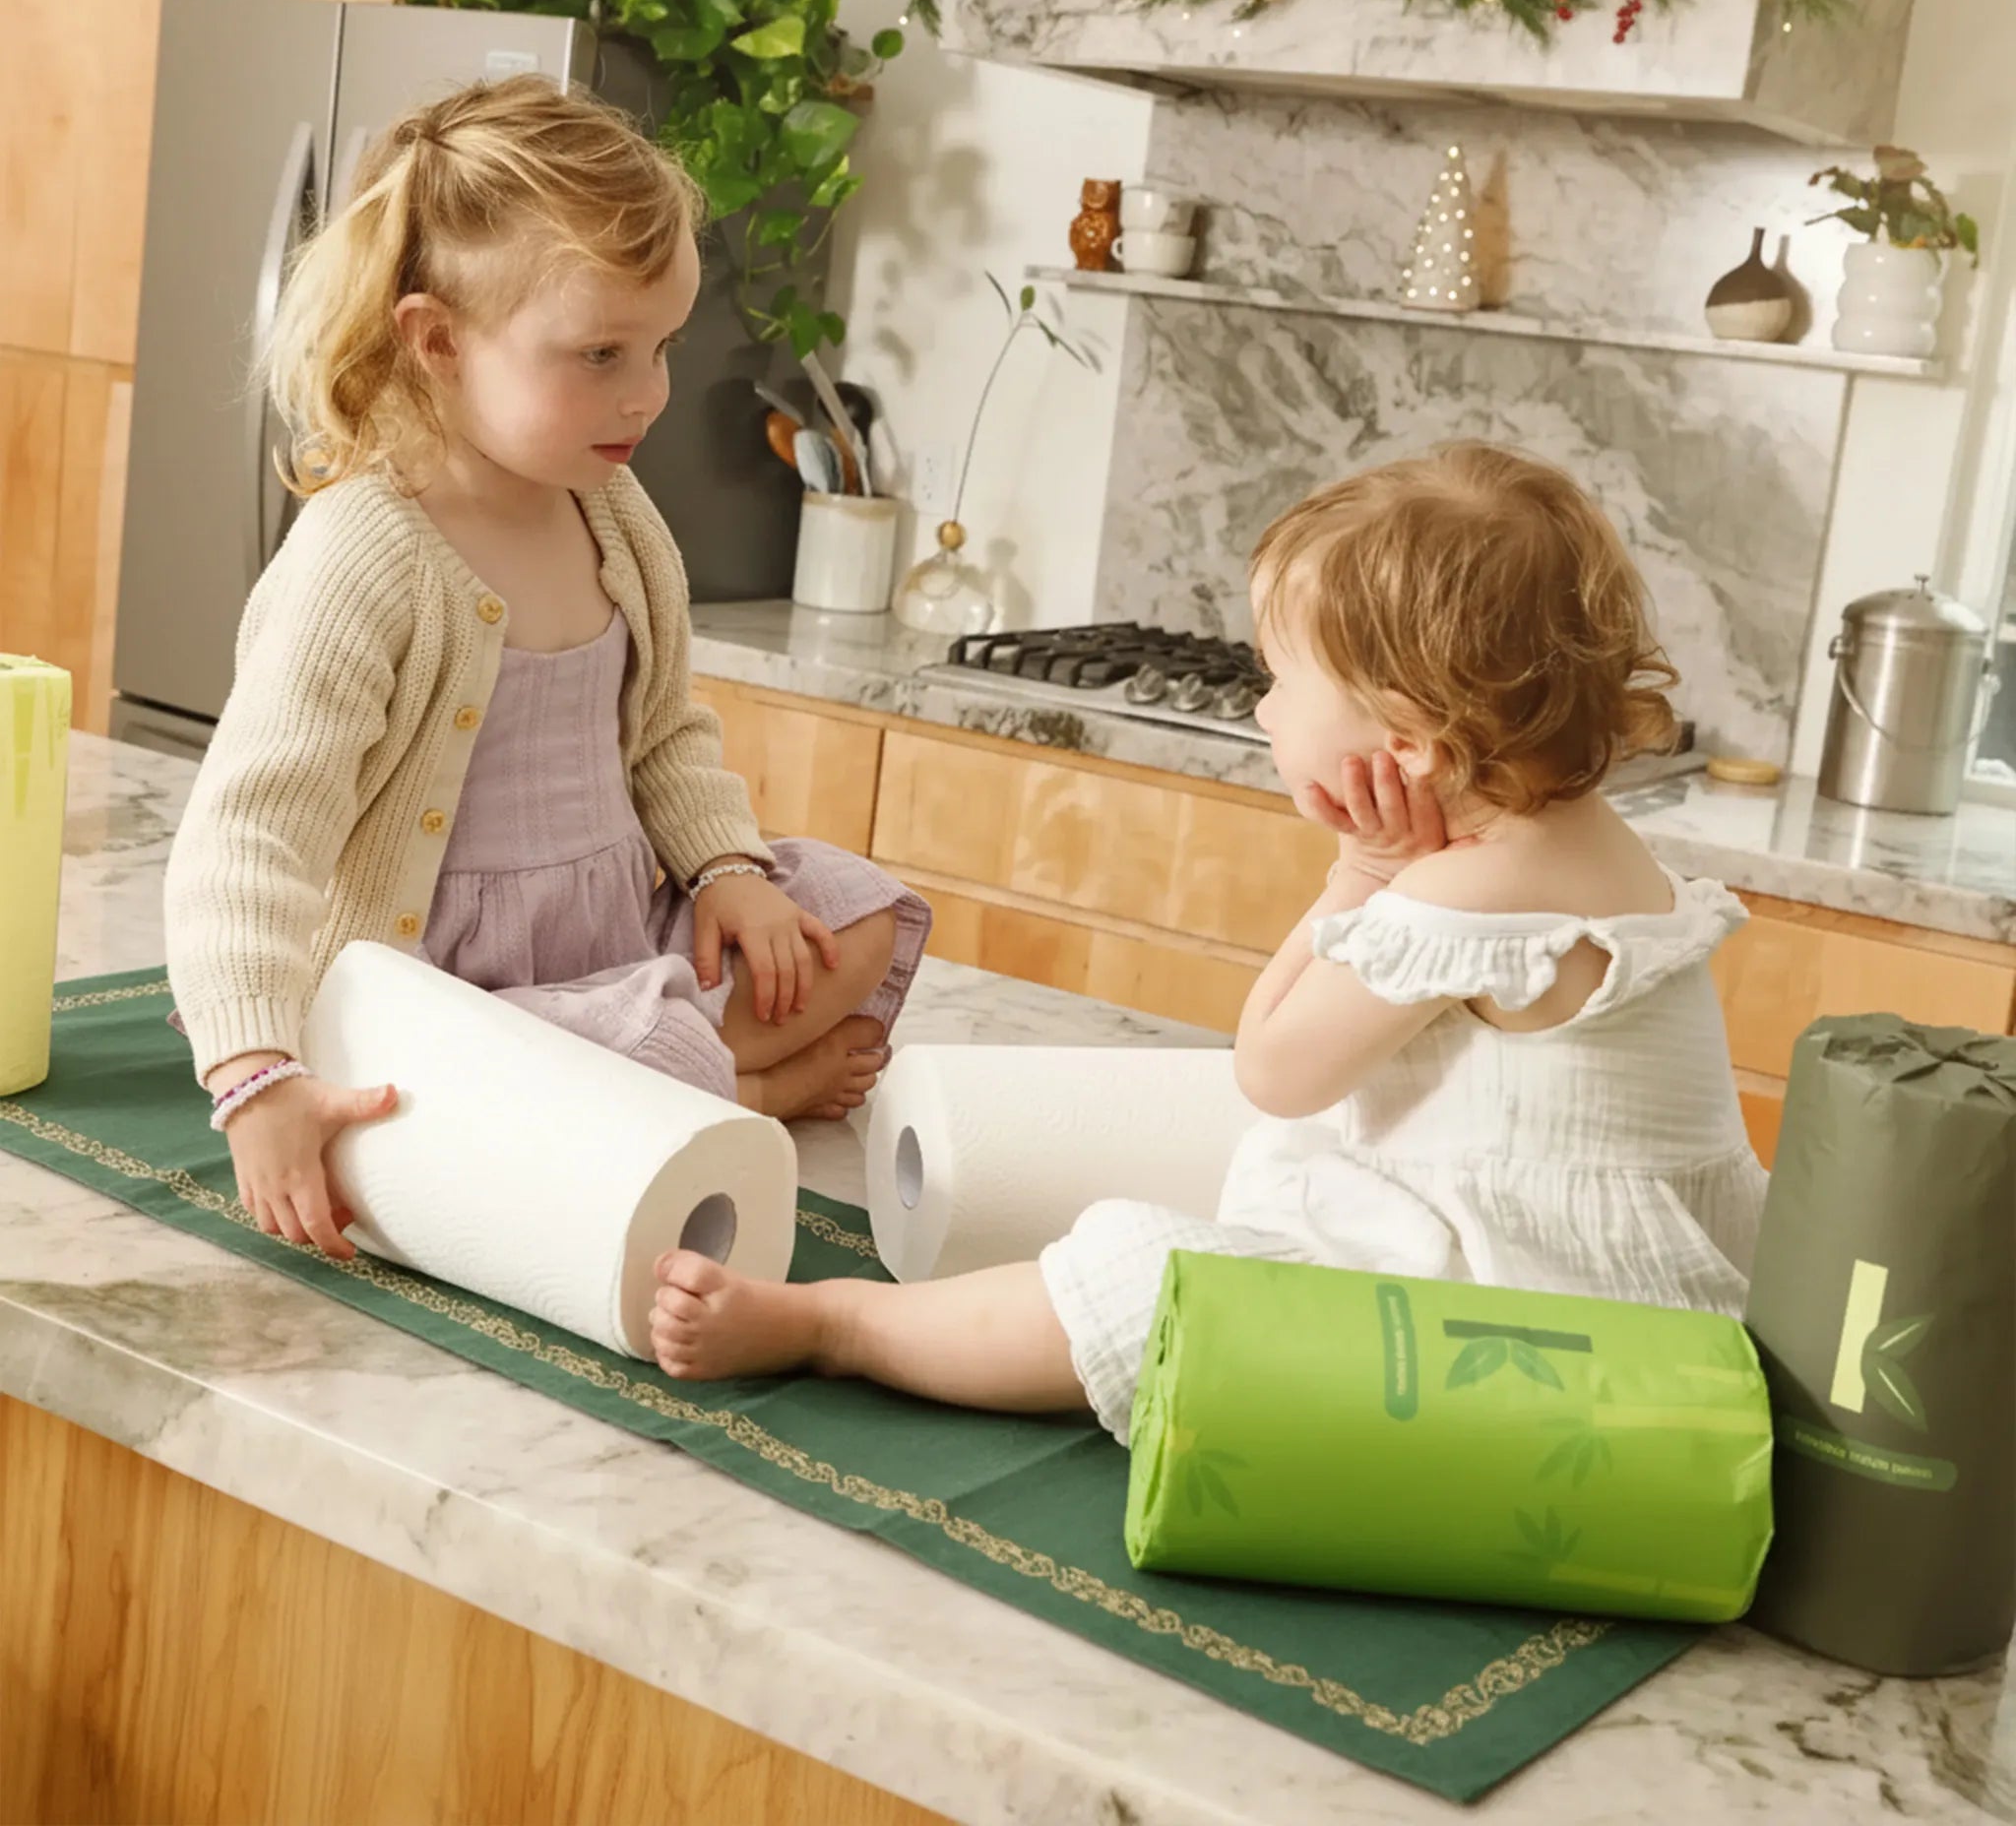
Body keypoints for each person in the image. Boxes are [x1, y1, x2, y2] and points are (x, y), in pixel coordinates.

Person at [648, 443, 1763, 1441]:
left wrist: (1358, 876)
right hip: (1642, 1314)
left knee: (1134, 1278)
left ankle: (840, 1323)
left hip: (1508, 1335)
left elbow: (1272, 1068)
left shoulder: (1464, 895)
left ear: (1408, 745)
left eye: (1280, 684)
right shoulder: (1602, 852)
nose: (1264, 710)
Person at [164, 77, 927, 1262]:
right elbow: (247, 838)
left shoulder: (611, 509)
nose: (647, 394)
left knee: (850, 920)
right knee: (603, 1058)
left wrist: (726, 871)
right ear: (436, 341)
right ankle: (739, 1091)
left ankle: (686, 1083)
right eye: (599, 353)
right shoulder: (367, 554)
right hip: (444, 990)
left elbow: (663, 731)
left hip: (617, 935)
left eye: (662, 346)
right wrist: (256, 1077)